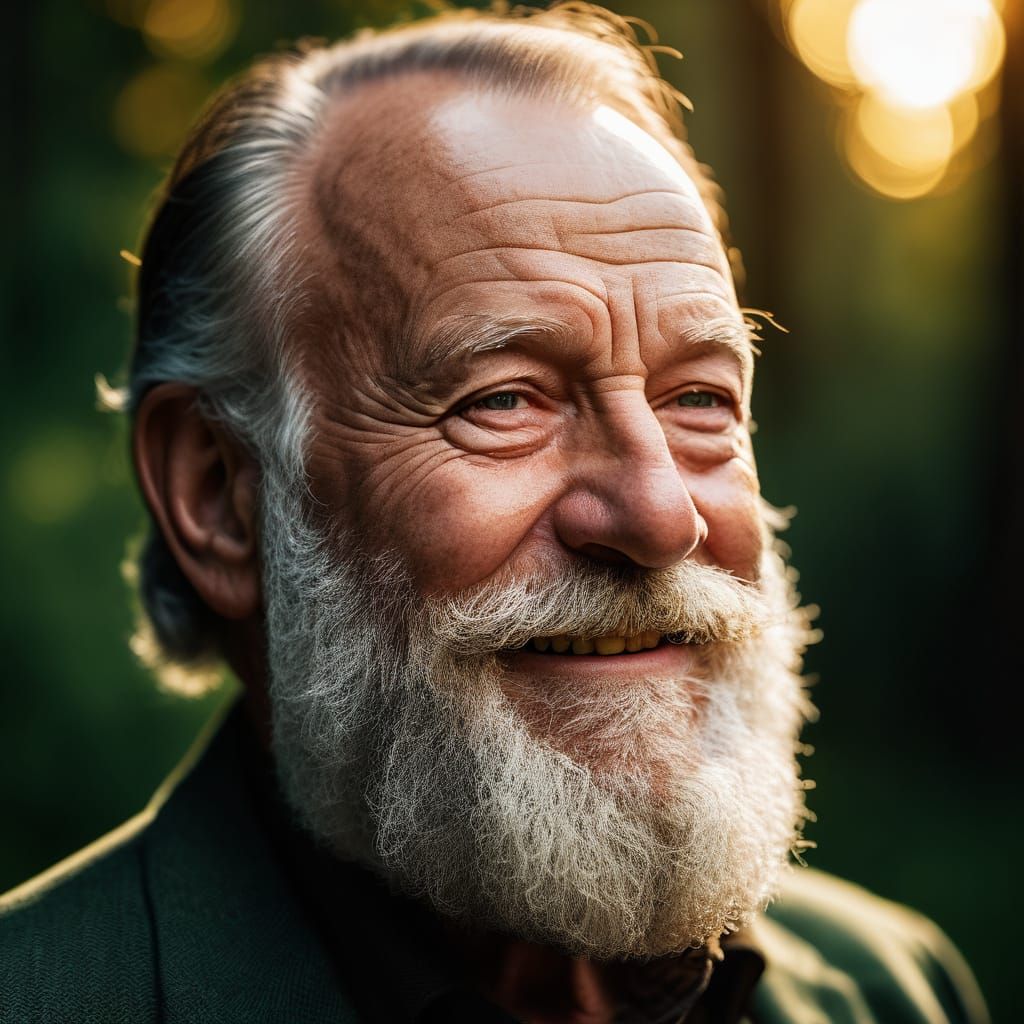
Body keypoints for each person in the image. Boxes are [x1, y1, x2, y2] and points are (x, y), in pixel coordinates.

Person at [0, 5, 989, 1022]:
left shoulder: (895, 987)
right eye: (504, 399)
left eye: (699, 398)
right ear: (218, 493)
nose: (659, 515)